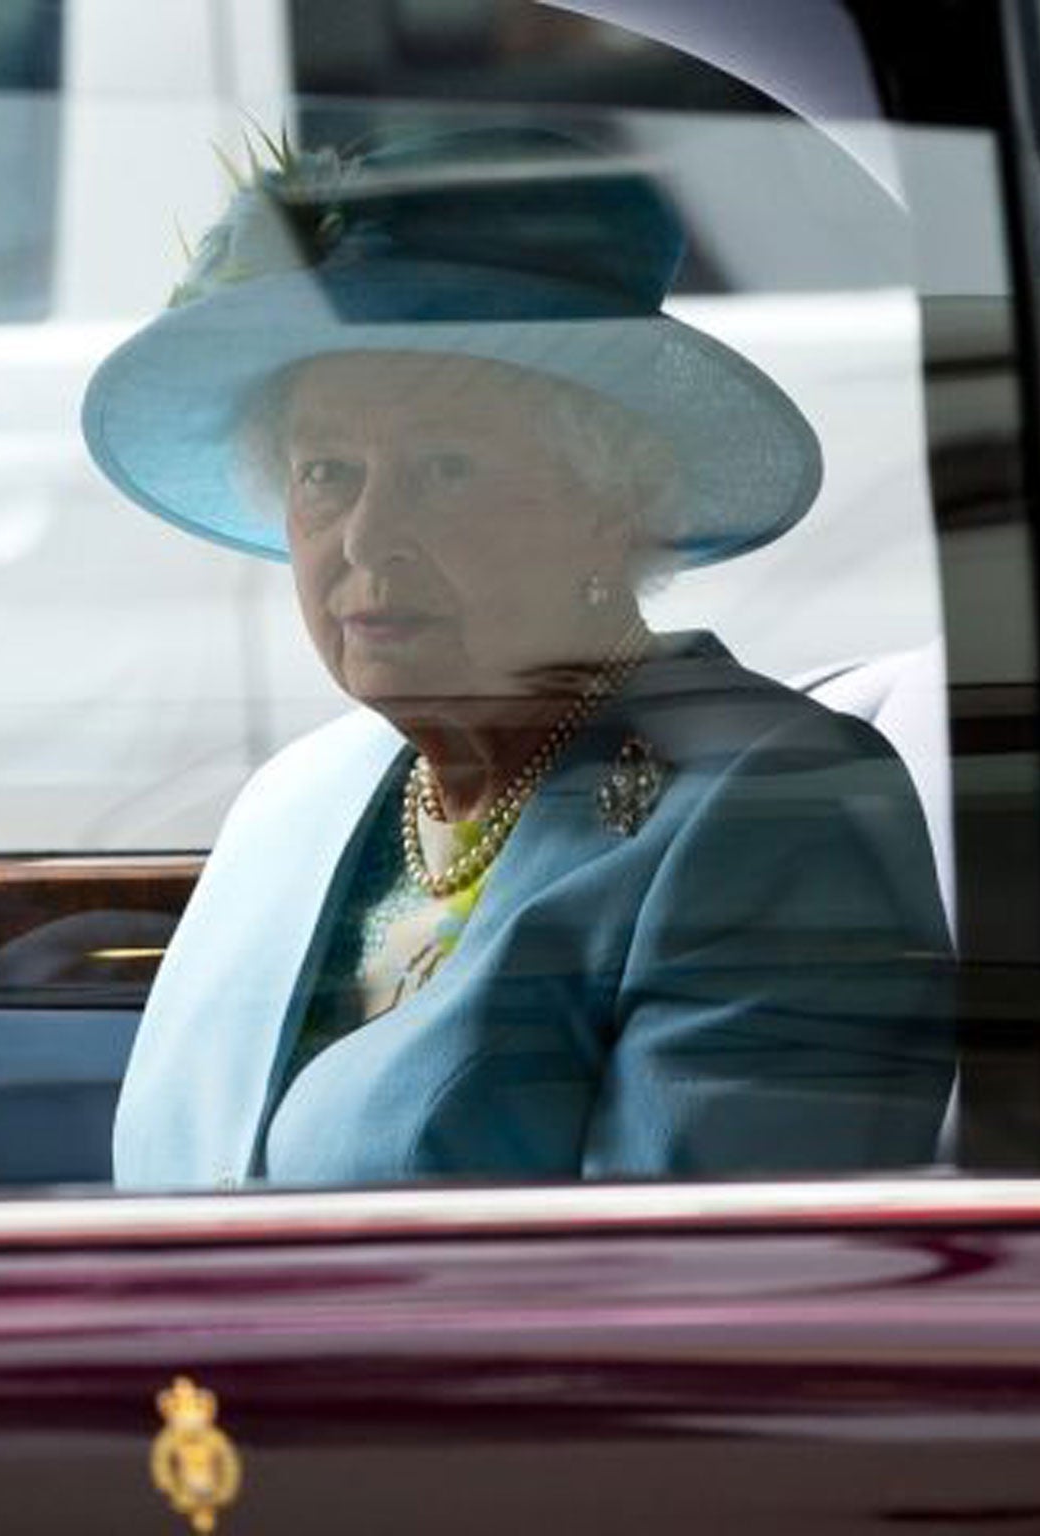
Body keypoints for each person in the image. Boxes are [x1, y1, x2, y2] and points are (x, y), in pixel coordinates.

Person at [81, 127, 954, 1188]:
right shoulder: (291, 803)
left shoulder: (773, 811)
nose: (365, 539)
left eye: (443, 468)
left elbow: (699, 1311)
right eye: (325, 473)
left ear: (609, 501)